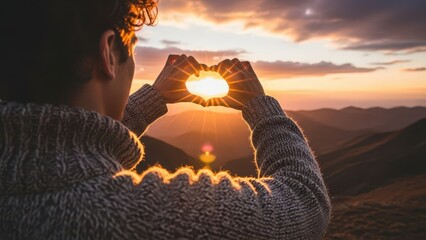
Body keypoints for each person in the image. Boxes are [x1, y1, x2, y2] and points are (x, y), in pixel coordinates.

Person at [0, 0, 330, 239]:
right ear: (107, 53)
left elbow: (63, 151)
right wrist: (262, 108)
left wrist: (151, 99)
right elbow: (306, 201)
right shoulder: (145, 215)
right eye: (134, 50)